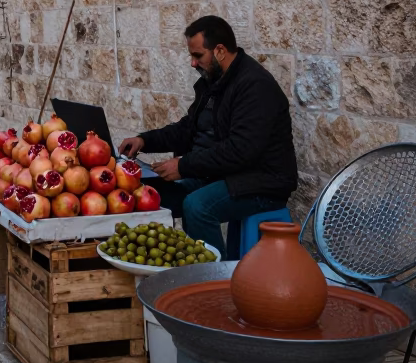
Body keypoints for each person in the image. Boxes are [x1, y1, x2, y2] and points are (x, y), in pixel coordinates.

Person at [118, 15, 296, 261]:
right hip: (217, 174)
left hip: (261, 182)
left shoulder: (255, 86)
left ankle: (215, 281)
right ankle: (170, 268)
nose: (193, 63)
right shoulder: (213, 82)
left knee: (197, 206)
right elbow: (188, 128)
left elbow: (240, 151)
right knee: (150, 193)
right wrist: (145, 140)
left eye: (198, 56)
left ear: (220, 50)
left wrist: (183, 166)